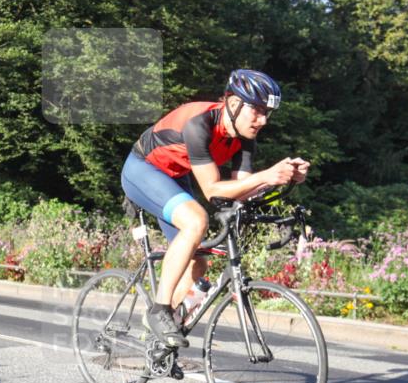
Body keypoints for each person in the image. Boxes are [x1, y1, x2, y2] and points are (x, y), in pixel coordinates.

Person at [121, 69, 310, 347]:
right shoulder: (199, 123)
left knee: (198, 262)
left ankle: (159, 337)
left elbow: (241, 190)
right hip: (143, 169)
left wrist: (284, 181)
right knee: (196, 221)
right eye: (257, 111)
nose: (263, 120)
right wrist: (267, 175)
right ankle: (159, 310)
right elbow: (212, 190)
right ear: (233, 103)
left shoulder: (245, 137)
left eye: (267, 113)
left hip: (175, 176)